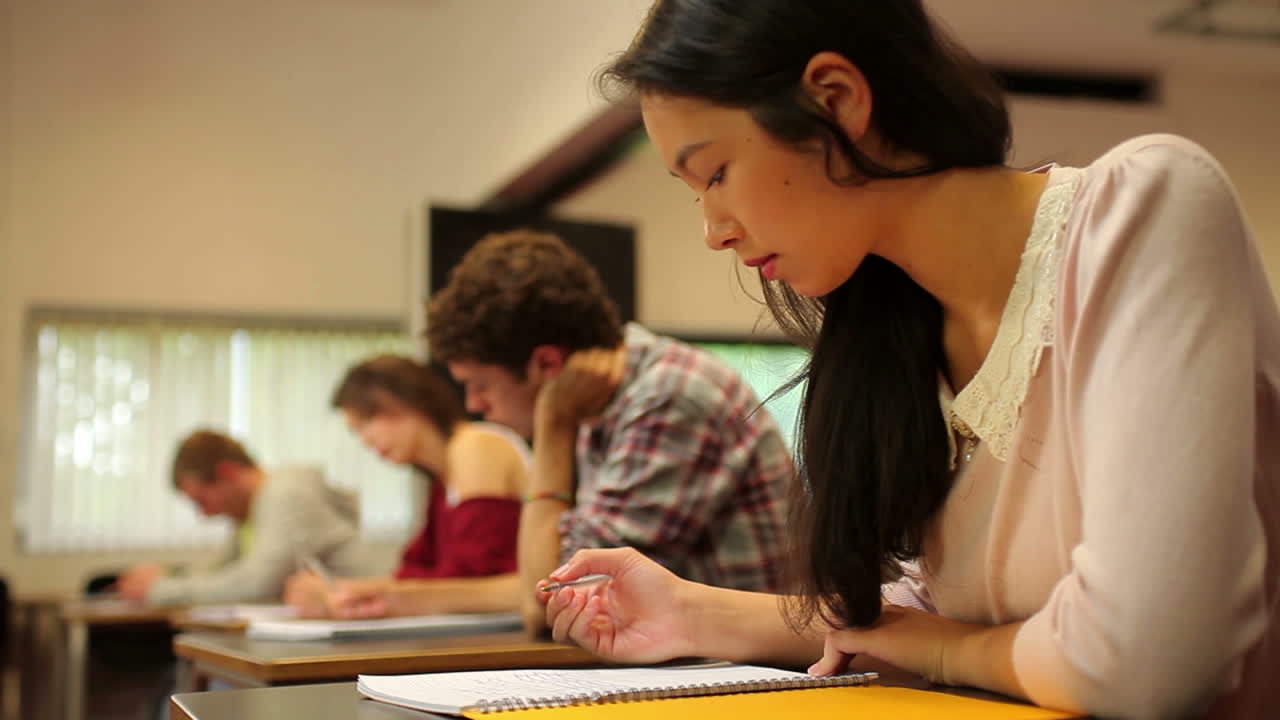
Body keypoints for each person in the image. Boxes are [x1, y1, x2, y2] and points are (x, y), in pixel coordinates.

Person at [539, 1, 1280, 718]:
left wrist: (945, 651)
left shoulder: (1143, 206)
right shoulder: (898, 335)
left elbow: (1147, 660)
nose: (713, 230)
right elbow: (941, 614)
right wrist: (689, 611)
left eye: (715, 174)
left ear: (836, 100)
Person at [426, 229, 792, 628]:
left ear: (548, 365)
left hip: (755, 673)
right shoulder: (605, 401)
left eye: (479, 385)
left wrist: (553, 427)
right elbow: (541, 582)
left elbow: (547, 604)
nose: (473, 405)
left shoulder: (669, 398)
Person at [284, 354, 530, 618]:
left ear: (401, 403)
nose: (366, 441)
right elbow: (418, 572)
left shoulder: (475, 445)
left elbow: (474, 576)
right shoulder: (442, 479)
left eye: (366, 423)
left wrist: (351, 590)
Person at [116, 430, 370, 606]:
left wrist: (159, 589)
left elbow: (256, 584)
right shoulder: (250, 511)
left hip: (361, 632)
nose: (204, 514)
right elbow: (223, 572)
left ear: (228, 473)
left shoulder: (285, 493)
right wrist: (169, 574)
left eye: (202, 501)